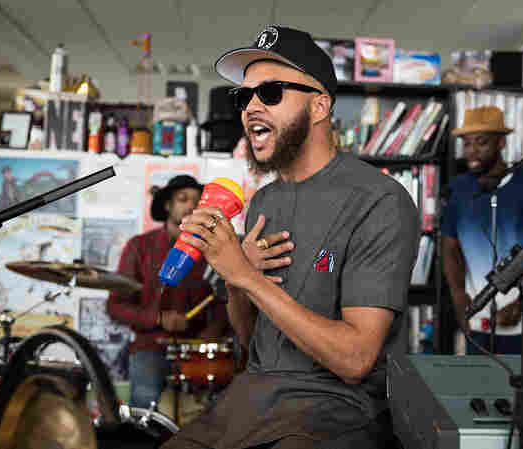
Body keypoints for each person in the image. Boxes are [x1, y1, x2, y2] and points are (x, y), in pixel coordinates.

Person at [160, 25, 420, 449]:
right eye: (244, 97)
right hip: (253, 399)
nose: (251, 108)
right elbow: (253, 344)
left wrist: (247, 277)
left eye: (271, 93)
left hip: (333, 409)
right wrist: (235, 281)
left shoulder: (380, 201)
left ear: (319, 106)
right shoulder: (263, 202)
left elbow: (355, 360)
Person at [441, 106, 523, 356]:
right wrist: (458, 296)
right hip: (481, 323)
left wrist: (522, 302)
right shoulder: (458, 190)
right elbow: (450, 248)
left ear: (501, 143)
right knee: (484, 393)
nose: (472, 151)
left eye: (481, 142)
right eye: (466, 144)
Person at [107, 174, 228, 409]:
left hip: (196, 350)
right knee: (145, 403)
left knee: (211, 414)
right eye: (183, 199)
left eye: (197, 201)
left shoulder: (211, 250)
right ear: (167, 205)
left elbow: (222, 302)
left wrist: (213, 331)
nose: (191, 206)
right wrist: (158, 318)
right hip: (151, 346)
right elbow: (115, 306)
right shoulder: (139, 246)